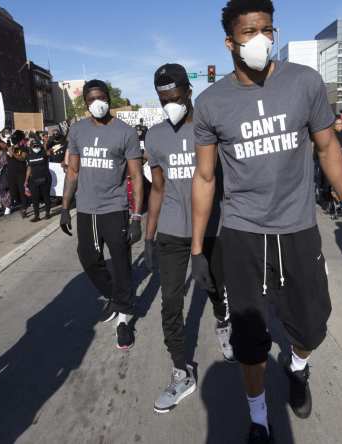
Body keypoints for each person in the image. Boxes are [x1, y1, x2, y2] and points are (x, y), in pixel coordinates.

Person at [191, 2, 342, 442]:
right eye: (248, 31)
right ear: (229, 41)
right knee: (250, 338)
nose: (259, 38)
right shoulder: (211, 102)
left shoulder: (304, 82)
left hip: (298, 228)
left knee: (313, 324)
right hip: (242, 232)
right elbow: (203, 177)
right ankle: (259, 418)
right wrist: (199, 248)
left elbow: (328, 146)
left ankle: (297, 366)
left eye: (266, 29)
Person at [143, 63, 234, 414]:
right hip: (170, 232)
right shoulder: (154, 137)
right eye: (163, 99)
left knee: (214, 287)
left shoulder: (210, 128)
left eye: (175, 97)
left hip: (212, 229)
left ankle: (223, 321)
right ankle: (181, 370)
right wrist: (149, 237)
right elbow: (158, 189)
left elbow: (225, 182)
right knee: (170, 304)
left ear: (188, 92)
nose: (170, 105)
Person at [61, 79, 145, 350]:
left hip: (115, 208)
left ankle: (123, 319)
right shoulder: (77, 130)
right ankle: (116, 296)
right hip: (86, 209)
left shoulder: (126, 132)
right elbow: (72, 171)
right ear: (85, 103)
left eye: (102, 97)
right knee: (88, 258)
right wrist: (64, 207)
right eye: (91, 99)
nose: (98, 103)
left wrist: (136, 217)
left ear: (109, 99)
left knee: (121, 264)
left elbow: (135, 175)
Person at [25, 139, 52, 221]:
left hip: (45, 178)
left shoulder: (44, 153)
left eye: (37, 145)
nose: (36, 147)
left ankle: (47, 213)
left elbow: (49, 151)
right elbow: (29, 168)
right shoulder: (29, 156)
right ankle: (37, 216)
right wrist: (26, 180)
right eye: (34, 146)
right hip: (34, 180)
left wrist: (46, 143)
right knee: (35, 198)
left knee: (46, 196)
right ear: (31, 146)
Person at [7, 130, 29, 217]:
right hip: (11, 174)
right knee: (13, 193)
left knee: (22, 191)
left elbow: (22, 158)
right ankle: (21, 205)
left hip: (21, 173)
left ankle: (24, 208)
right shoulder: (10, 148)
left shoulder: (23, 148)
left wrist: (14, 154)